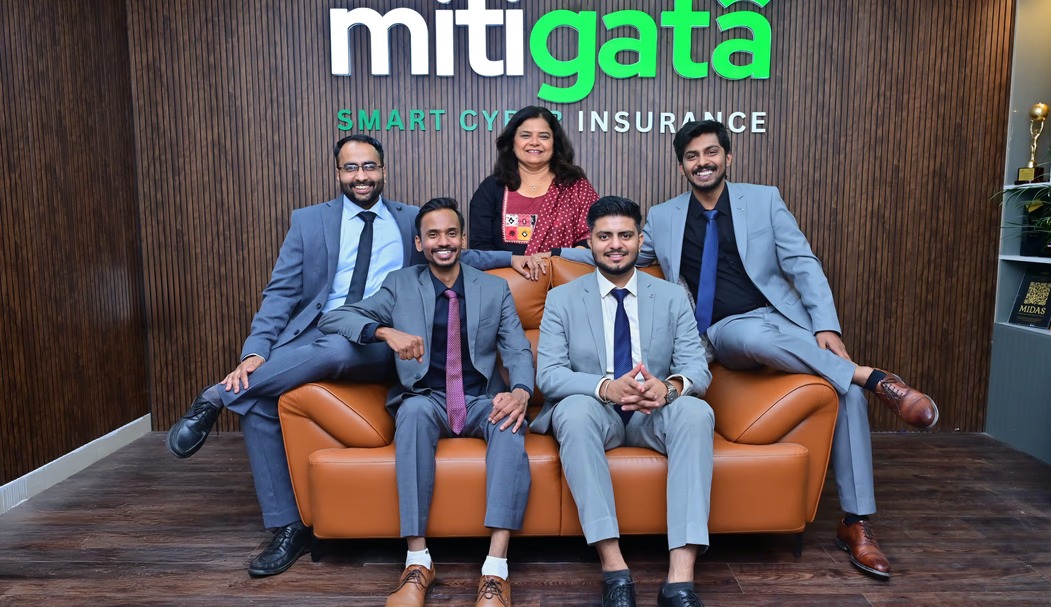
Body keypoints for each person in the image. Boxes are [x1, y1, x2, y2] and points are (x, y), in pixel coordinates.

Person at [165, 135, 543, 578]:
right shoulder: (308, 222)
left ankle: (217, 396)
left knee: (338, 347)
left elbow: (454, 250)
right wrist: (256, 352)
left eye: (369, 166)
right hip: (322, 332)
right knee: (259, 400)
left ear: (383, 170)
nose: (361, 176)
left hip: (385, 346)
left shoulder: (409, 219)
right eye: (351, 167)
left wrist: (516, 257)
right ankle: (289, 526)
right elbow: (280, 294)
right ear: (338, 173)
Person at [578, 120, 937, 580]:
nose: (703, 162)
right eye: (692, 156)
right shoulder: (664, 217)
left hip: (779, 322)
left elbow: (802, 263)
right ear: (682, 166)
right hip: (720, 333)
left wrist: (825, 325)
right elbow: (619, 250)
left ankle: (856, 522)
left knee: (843, 391)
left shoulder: (765, 200)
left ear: (728, 157)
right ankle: (874, 377)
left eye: (711, 153)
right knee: (751, 337)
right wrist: (544, 256)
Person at [319, 198, 533, 607]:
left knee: (509, 423)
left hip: (479, 398)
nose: (443, 242)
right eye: (433, 235)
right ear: (419, 242)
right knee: (413, 414)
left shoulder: (493, 288)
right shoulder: (400, 284)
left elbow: (518, 348)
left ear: (463, 239)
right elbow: (335, 318)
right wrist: (385, 332)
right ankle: (418, 562)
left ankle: (495, 569)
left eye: (451, 233)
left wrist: (521, 391)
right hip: (426, 398)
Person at [534, 196, 714, 607]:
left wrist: (668, 388)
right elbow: (549, 375)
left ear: (639, 240)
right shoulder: (562, 299)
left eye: (625, 235)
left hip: (655, 414)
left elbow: (697, 367)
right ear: (589, 241)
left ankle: (680, 580)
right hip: (598, 412)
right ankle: (615, 571)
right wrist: (605, 388)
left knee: (696, 411)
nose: (615, 245)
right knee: (572, 411)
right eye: (605, 236)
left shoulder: (671, 297)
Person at [468, 106, 598, 255]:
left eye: (544, 136)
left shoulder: (576, 187)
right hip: (502, 271)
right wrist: (513, 263)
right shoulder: (491, 188)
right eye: (525, 135)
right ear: (512, 142)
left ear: (554, 143)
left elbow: (592, 238)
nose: (534, 142)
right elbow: (480, 248)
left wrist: (552, 260)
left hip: (563, 269)